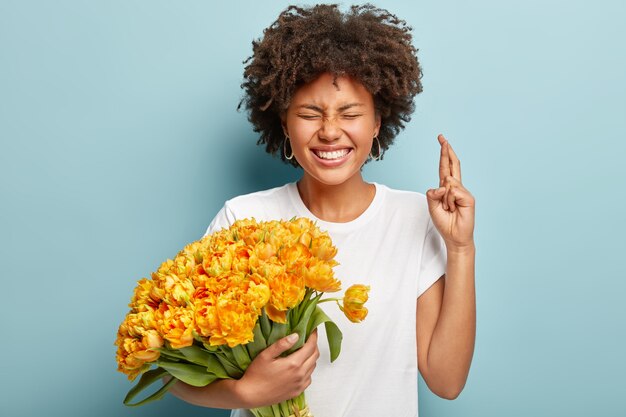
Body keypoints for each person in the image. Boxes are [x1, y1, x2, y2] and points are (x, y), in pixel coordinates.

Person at [169, 4, 476, 416]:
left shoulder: (415, 218)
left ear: (377, 123)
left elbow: (446, 381)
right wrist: (247, 393)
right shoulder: (243, 219)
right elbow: (173, 371)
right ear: (283, 123)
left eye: (350, 113)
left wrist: (460, 249)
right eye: (310, 114)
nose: (330, 131)